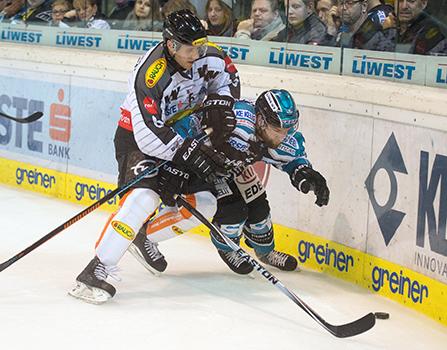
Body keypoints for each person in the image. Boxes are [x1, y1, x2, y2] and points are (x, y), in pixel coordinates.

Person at [68, 9, 241, 304]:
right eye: (190, 48)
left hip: (184, 139)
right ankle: (96, 269)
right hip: (138, 138)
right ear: (171, 45)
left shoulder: (210, 56)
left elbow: (228, 83)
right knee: (143, 199)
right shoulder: (150, 73)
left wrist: (220, 108)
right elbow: (147, 132)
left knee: (207, 202)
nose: (198, 53)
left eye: (201, 45)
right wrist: (186, 154)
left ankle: (143, 235)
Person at [132, 89, 330, 275]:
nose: (282, 136)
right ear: (260, 120)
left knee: (259, 208)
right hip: (197, 166)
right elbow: (186, 129)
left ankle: (265, 252)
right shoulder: (236, 120)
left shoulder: (278, 134)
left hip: (229, 167)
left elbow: (292, 159)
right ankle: (145, 236)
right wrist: (174, 165)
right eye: (277, 129)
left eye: (287, 129)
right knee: (233, 212)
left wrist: (304, 172)